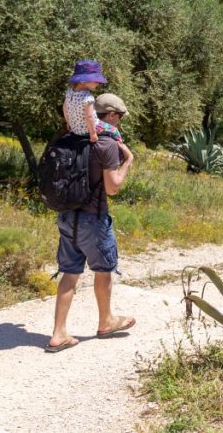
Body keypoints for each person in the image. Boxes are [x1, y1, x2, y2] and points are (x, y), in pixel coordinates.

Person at [46, 93, 135, 353]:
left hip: (66, 215)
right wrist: (127, 162)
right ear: (111, 116)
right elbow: (113, 187)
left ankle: (58, 333)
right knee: (103, 268)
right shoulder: (106, 144)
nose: (118, 124)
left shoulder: (70, 139)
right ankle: (106, 321)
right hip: (93, 218)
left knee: (70, 273)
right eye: (118, 118)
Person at [63, 60, 106, 144]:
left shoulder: (69, 92)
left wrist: (68, 122)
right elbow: (89, 117)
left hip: (75, 129)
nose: (99, 83)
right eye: (96, 80)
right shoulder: (88, 98)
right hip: (87, 130)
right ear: (83, 81)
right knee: (114, 130)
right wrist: (93, 134)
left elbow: (65, 108)